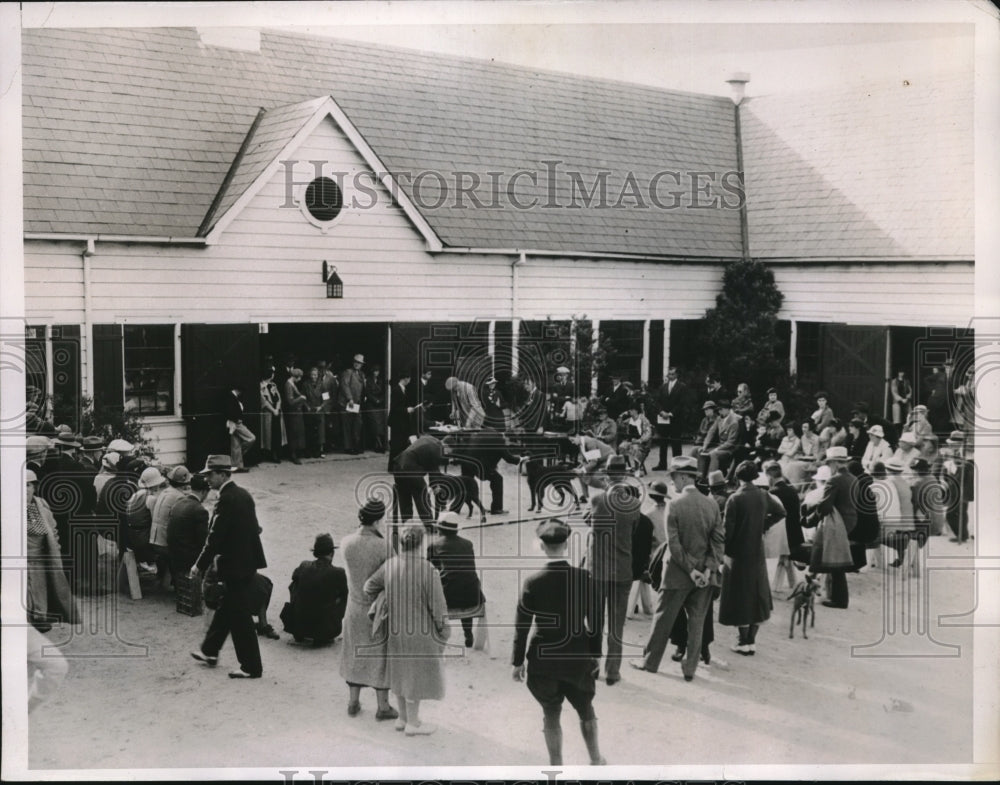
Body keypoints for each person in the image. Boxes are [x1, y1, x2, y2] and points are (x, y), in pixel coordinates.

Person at [512, 518, 606, 766]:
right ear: (566, 545)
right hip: (577, 657)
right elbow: (596, 621)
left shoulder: (532, 581)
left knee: (551, 714)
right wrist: (595, 653)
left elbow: (522, 626)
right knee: (586, 710)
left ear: (542, 546)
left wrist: (517, 661)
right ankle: (596, 759)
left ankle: (557, 765)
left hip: (544, 660)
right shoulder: (585, 578)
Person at [630, 455, 724, 681]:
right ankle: (690, 668)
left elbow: (673, 544)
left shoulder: (675, 504)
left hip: (677, 574)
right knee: (697, 622)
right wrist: (708, 569)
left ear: (683, 476)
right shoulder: (711, 503)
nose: (673, 483)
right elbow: (718, 541)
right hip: (706, 576)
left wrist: (691, 569)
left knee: (663, 618)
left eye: (674, 478)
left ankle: (650, 662)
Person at [364, 524, 448, 736]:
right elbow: (439, 608)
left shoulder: (390, 565)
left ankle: (402, 718)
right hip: (420, 630)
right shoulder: (429, 570)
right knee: (415, 676)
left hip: (395, 628)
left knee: (400, 673)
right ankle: (414, 723)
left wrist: (384, 597)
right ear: (421, 543)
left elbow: (368, 587)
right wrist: (444, 631)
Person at [189, 455, 268, 679]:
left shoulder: (225, 499)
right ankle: (210, 651)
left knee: (240, 617)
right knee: (228, 608)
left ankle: (251, 667)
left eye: (211, 474)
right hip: (247, 562)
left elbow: (215, 538)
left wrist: (199, 565)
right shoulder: (243, 495)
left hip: (233, 565)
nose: (208, 479)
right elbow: (255, 529)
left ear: (223, 474)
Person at [339, 498, 398, 720]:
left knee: (354, 653)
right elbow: (392, 575)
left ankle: (353, 702)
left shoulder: (346, 542)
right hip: (376, 609)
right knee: (380, 656)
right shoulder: (383, 546)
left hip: (353, 606)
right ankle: (383, 707)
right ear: (378, 520)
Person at [718, 461, 785, 655]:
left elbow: (727, 531)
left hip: (737, 553)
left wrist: (722, 551)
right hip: (757, 551)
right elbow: (781, 512)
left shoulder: (734, 499)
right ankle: (751, 640)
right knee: (757, 595)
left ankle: (742, 640)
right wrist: (763, 525)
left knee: (740, 596)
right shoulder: (763, 495)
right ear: (755, 477)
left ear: (738, 478)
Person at [583, 456, 640, 685]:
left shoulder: (598, 499)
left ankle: (593, 666)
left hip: (598, 570)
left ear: (607, 475)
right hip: (622, 569)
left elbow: (591, 524)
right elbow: (634, 530)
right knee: (617, 625)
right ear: (625, 475)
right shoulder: (634, 504)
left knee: (595, 621)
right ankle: (613, 671)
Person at [800, 446, 857, 609]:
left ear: (834, 463)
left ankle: (838, 599)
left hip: (838, 524)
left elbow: (825, 507)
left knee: (832, 559)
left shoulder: (835, 480)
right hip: (851, 522)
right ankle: (837, 597)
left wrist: (808, 520)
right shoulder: (853, 478)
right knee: (837, 562)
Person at [25, 470, 80, 632]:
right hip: (22, 557)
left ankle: (39, 616)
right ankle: (29, 619)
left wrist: (55, 547)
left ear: (34, 487)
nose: (24, 490)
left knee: (40, 588)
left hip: (41, 555)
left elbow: (52, 528)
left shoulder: (41, 504)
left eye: (28, 485)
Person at [427, 511, 485, 648]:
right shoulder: (468, 544)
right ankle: (468, 633)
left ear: (440, 529)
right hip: (473, 596)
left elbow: (430, 571)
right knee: (464, 581)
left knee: (440, 587)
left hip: (448, 598)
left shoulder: (434, 546)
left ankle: (437, 634)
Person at [280, 533, 349, 646]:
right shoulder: (338, 572)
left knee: (295, 584)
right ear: (332, 553)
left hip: (297, 625)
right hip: (324, 628)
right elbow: (344, 594)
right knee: (343, 594)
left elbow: (294, 578)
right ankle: (325, 628)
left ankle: (300, 622)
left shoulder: (304, 565)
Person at [447, 428, 519, 515]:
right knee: (498, 479)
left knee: (466, 482)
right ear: (507, 438)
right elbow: (509, 458)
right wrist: (521, 459)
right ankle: (497, 509)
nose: (508, 446)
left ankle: (455, 507)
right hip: (478, 464)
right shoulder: (500, 441)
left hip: (466, 459)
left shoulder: (489, 431)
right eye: (510, 444)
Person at [765, 461, 804, 594]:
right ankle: (791, 580)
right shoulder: (792, 490)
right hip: (796, 534)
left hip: (785, 537)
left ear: (769, 477)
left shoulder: (774, 492)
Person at [394, 434, 446, 525]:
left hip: (398, 464)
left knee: (404, 497)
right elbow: (433, 470)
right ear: (447, 446)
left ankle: (407, 525)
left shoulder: (429, 438)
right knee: (422, 496)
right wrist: (435, 487)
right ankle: (429, 525)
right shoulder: (437, 449)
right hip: (410, 469)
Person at [166, 473, 210, 579]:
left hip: (174, 555)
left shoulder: (178, 503)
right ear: (204, 492)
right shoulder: (200, 510)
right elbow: (203, 541)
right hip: (188, 558)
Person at [652, 367, 689, 469]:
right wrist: (661, 411)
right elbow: (657, 401)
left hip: (675, 418)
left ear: (677, 375)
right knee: (663, 442)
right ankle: (662, 464)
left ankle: (677, 465)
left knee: (676, 442)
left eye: (672, 374)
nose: (670, 376)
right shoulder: (663, 387)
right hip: (663, 418)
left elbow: (682, 403)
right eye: (669, 374)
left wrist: (671, 413)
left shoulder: (682, 387)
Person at [942, 431, 974, 543]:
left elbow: (966, 471)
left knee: (955, 512)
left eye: (953, 443)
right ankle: (961, 534)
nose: (950, 445)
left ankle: (961, 534)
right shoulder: (955, 452)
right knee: (958, 511)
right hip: (955, 484)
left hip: (962, 486)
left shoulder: (966, 454)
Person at [698, 398, 740, 477]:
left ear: (728, 409)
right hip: (720, 446)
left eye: (721, 409)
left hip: (729, 449)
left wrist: (717, 449)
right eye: (718, 410)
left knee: (714, 454)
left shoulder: (734, 422)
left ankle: (711, 478)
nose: (719, 412)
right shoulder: (719, 418)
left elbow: (731, 442)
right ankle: (700, 476)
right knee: (700, 451)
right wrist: (705, 446)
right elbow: (711, 432)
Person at [387, 370, 417, 471]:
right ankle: (392, 467)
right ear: (406, 379)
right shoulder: (396, 390)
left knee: (401, 444)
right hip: (397, 422)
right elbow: (394, 408)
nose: (409, 381)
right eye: (409, 379)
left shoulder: (402, 389)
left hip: (401, 421)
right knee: (396, 445)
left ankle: (398, 466)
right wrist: (406, 410)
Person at [338, 354, 367, 454]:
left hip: (356, 403)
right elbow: (344, 385)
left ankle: (356, 445)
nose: (357, 364)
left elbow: (363, 387)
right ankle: (348, 447)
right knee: (347, 425)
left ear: (362, 364)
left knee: (357, 424)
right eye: (356, 362)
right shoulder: (348, 372)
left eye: (359, 363)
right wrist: (349, 398)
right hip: (347, 403)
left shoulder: (361, 374)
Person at [224, 385, 255, 472]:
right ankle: (237, 460)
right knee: (251, 438)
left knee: (235, 445)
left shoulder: (231, 396)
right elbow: (229, 411)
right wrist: (235, 420)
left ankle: (236, 466)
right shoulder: (231, 397)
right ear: (239, 390)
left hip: (233, 422)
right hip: (236, 423)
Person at [617, 400, 653, 476]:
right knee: (621, 446)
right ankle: (623, 467)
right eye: (629, 410)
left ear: (636, 410)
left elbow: (648, 433)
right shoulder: (629, 420)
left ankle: (637, 468)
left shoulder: (643, 420)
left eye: (631, 410)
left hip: (642, 443)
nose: (630, 411)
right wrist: (621, 416)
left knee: (635, 448)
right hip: (632, 441)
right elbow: (620, 426)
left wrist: (640, 440)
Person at [259, 368, 286, 463]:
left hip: (276, 412)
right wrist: (273, 410)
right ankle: (270, 454)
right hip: (268, 413)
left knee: (277, 433)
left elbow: (278, 398)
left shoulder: (273, 385)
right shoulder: (261, 386)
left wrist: (277, 408)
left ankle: (276, 453)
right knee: (268, 434)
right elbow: (264, 402)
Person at [283, 368, 307, 465]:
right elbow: (290, 402)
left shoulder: (291, 384)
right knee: (294, 433)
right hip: (293, 413)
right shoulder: (288, 385)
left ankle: (297, 452)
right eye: (299, 378)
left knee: (298, 432)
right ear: (296, 377)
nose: (300, 380)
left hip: (297, 413)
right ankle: (293, 454)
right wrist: (300, 398)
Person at [363, 364, 388, 453]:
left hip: (379, 405)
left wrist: (380, 400)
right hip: (371, 404)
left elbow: (384, 392)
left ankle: (378, 445)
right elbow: (367, 392)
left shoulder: (381, 381)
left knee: (380, 425)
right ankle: (379, 444)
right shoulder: (368, 380)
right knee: (374, 425)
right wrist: (374, 400)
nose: (376, 373)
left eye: (377, 371)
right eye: (374, 371)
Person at [303, 366, 326, 459]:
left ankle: (318, 451)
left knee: (320, 432)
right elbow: (303, 397)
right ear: (309, 375)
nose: (313, 376)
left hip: (319, 410)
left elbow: (326, 399)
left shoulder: (322, 384)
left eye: (315, 374)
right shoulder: (305, 384)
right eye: (312, 374)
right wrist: (307, 407)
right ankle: (308, 451)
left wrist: (321, 407)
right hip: (309, 410)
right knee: (309, 431)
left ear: (318, 375)